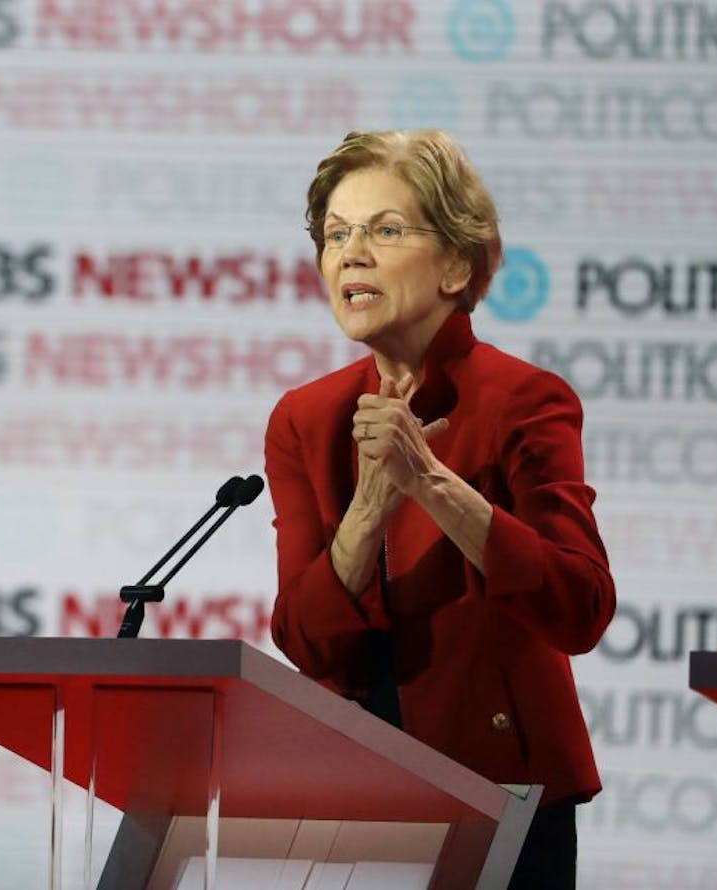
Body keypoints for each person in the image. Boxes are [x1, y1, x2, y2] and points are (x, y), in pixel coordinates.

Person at [265, 129, 614, 889]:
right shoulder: (306, 417)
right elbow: (303, 640)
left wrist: (433, 486)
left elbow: (580, 608)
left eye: (385, 230)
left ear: (457, 263)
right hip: (355, 792)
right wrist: (367, 512)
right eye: (335, 234)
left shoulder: (526, 401)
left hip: (503, 794)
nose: (350, 253)